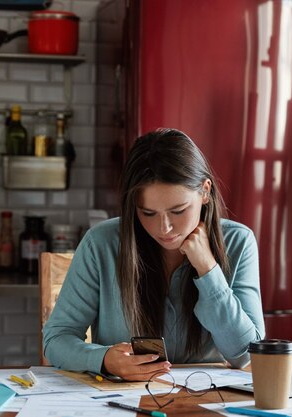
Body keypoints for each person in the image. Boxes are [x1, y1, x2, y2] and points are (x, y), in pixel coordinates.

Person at [43, 128, 265, 381]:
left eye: (178, 210)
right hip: (121, 401)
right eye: (148, 213)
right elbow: (56, 340)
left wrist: (208, 269)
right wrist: (104, 360)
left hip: (205, 401)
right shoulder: (101, 243)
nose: (164, 229)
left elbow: (245, 354)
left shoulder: (238, 241)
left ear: (204, 192)